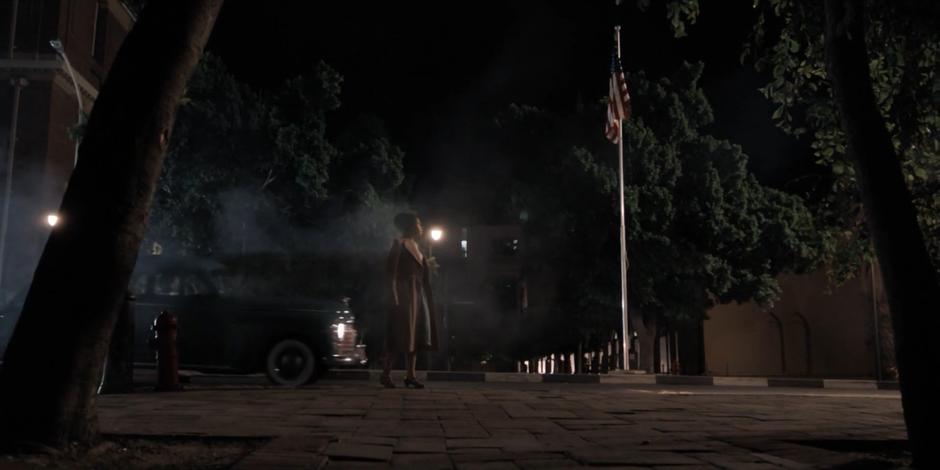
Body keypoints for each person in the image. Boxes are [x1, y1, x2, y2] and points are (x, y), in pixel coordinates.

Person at [381, 212, 438, 388]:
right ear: (411, 226)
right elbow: (391, 274)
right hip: (405, 295)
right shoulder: (399, 244)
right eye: (418, 223)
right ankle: (385, 374)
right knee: (399, 335)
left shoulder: (418, 247)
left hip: (418, 296)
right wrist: (395, 298)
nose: (421, 227)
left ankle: (410, 376)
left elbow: (423, 274)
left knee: (417, 335)